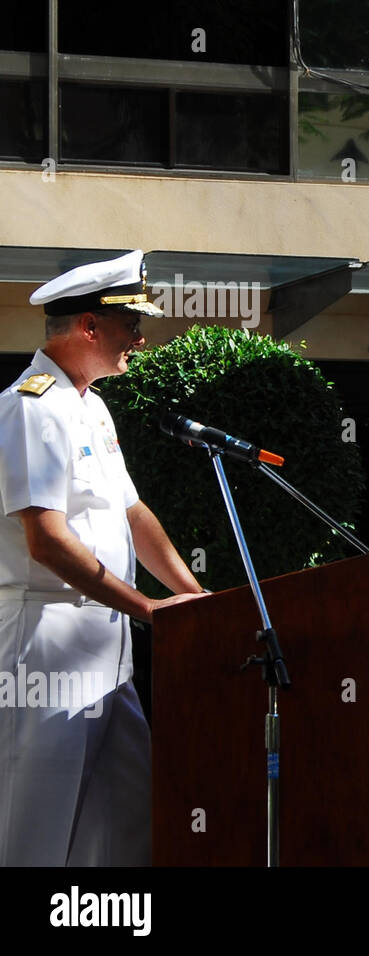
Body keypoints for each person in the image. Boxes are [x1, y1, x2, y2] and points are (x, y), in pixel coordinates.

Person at [0, 250, 204, 866]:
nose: (139, 340)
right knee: (37, 831)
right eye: (130, 325)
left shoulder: (91, 406)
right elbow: (45, 539)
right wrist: (150, 609)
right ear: (89, 326)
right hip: (47, 644)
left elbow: (132, 514)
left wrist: (193, 597)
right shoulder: (31, 407)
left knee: (124, 826)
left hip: (108, 649)